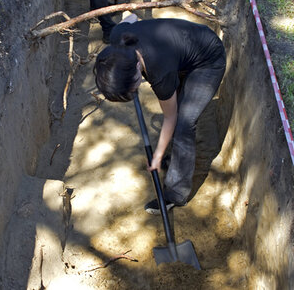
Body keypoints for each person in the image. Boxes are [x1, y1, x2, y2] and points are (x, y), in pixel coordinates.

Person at [94, 14, 226, 215]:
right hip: (183, 53)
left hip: (207, 61)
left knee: (184, 123)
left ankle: (175, 195)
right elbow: (131, 16)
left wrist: (157, 155)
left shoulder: (160, 72)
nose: (135, 91)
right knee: (179, 109)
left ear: (137, 68)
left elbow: (170, 117)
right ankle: (175, 160)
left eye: (134, 87)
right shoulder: (118, 38)